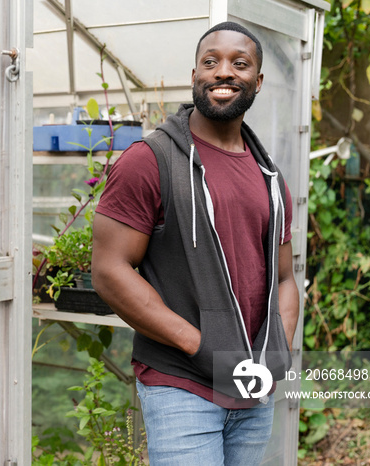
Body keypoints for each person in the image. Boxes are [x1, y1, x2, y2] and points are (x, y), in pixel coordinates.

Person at [91, 21, 300, 465]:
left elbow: (284, 279)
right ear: (194, 76)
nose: (224, 72)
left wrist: (272, 354)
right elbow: (110, 271)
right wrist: (198, 345)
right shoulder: (150, 161)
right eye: (211, 62)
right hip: (180, 387)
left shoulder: (271, 179)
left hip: (250, 391)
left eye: (239, 64)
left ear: (257, 82)